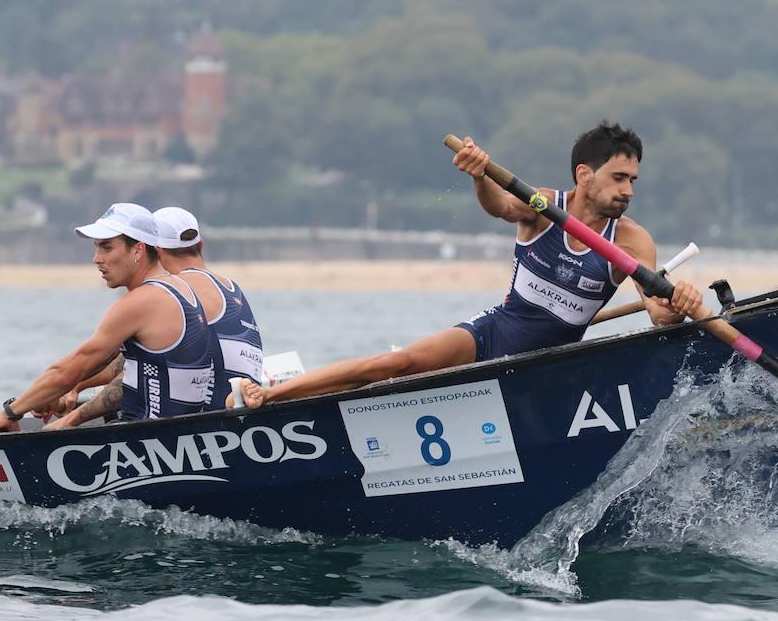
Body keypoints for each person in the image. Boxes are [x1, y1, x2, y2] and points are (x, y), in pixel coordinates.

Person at [234, 121, 701, 409]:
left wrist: (680, 302)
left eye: (633, 180)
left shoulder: (633, 241)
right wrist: (480, 177)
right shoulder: (542, 205)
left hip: (549, 361)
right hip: (493, 334)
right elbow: (499, 205)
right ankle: (269, 394)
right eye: (619, 178)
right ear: (584, 174)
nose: (629, 190)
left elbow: (658, 315)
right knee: (399, 363)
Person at [0, 203, 217, 431]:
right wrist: (57, 395)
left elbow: (68, 370)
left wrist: (11, 411)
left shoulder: (140, 302)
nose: (96, 258)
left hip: (146, 441)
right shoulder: (181, 288)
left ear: (138, 249)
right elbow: (108, 364)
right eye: (96, 248)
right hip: (181, 434)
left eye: (107, 248)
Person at [152, 206, 263, 388]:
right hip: (241, 403)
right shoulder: (232, 287)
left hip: (207, 412)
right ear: (201, 244)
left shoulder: (175, 290)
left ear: (156, 251)